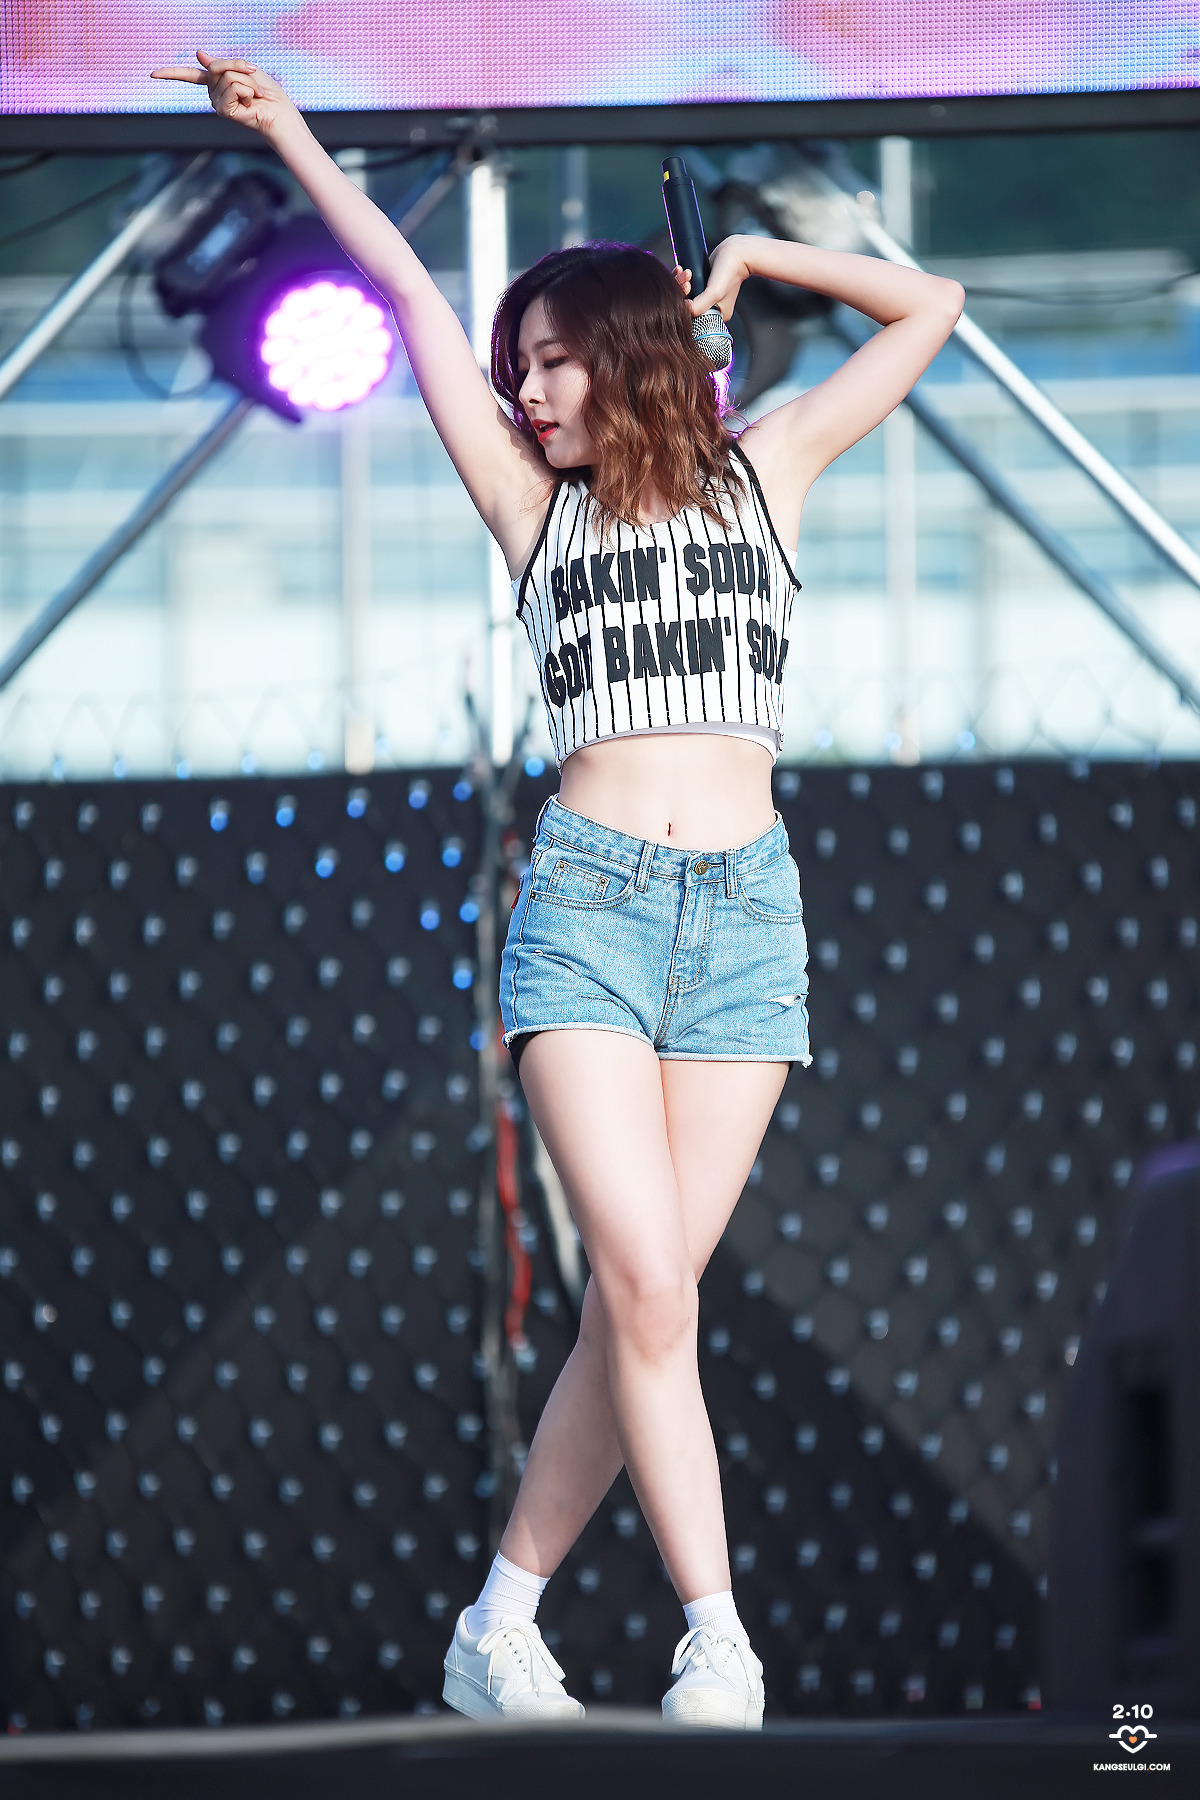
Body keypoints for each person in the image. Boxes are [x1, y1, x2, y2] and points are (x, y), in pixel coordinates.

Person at [153, 52, 965, 1728]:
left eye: (552, 357)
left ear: (634, 350)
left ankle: (500, 1623)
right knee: (646, 1288)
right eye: (515, 364)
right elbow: (404, 289)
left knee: (643, 1305)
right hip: (589, 911)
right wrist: (289, 133)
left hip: (747, 920)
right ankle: (718, 1638)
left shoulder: (769, 472)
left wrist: (757, 262)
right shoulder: (534, 513)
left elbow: (931, 306)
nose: (525, 388)